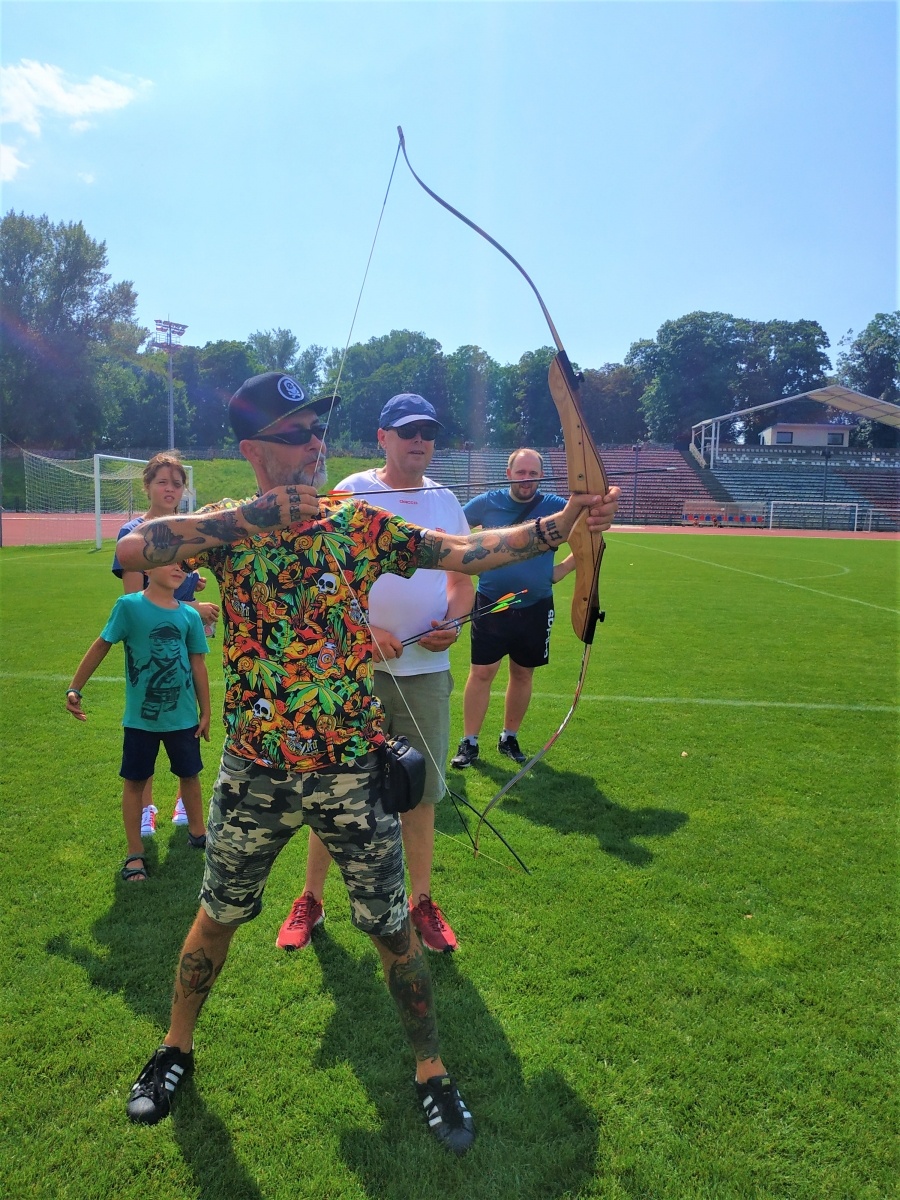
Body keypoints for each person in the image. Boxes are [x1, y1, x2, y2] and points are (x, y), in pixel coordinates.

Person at [114, 371, 620, 1154]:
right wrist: (254, 516)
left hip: (351, 768)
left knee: (391, 930)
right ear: (253, 449)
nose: (315, 447)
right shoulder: (223, 524)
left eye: (319, 432)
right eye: (295, 435)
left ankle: (430, 1069)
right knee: (217, 916)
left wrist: (560, 526)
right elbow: (130, 551)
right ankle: (174, 1048)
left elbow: (458, 549)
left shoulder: (356, 521)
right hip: (255, 768)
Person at [277, 393, 473, 957]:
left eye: (428, 432)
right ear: (382, 436)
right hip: (351, 675)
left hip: (426, 671)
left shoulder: (445, 500)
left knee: (421, 793)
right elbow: (319, 580)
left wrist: (454, 622)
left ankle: (422, 903)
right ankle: (310, 899)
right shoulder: (350, 492)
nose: (419, 441)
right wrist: (363, 635)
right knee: (331, 787)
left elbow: (462, 576)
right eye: (407, 430)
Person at [66, 562, 211, 882]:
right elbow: (102, 644)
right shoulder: (129, 607)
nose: (178, 569)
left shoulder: (189, 615)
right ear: (147, 566)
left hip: (182, 718)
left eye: (182, 564)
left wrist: (205, 712)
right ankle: (135, 853)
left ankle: (199, 834)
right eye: (169, 561)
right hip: (140, 721)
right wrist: (75, 688)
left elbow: (198, 664)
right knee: (134, 781)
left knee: (190, 774)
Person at [111, 451, 220, 835]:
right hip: (149, 644)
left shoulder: (184, 530)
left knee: (183, 716)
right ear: (148, 486)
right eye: (163, 482)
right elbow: (134, 599)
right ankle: (146, 807)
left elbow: (174, 580)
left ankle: (181, 802)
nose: (171, 489)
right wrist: (195, 606)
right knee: (149, 716)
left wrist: (191, 583)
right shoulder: (133, 535)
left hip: (185, 638)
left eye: (177, 483)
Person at [451, 448, 576, 769]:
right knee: (482, 673)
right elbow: (451, 531)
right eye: (521, 472)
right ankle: (469, 742)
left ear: (541, 475)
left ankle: (509, 737)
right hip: (491, 605)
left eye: (533, 473)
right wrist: (470, 564)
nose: (527, 479)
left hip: (536, 606)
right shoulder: (486, 503)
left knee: (522, 673)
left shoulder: (557, 507)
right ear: (509, 473)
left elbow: (591, 536)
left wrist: (558, 571)